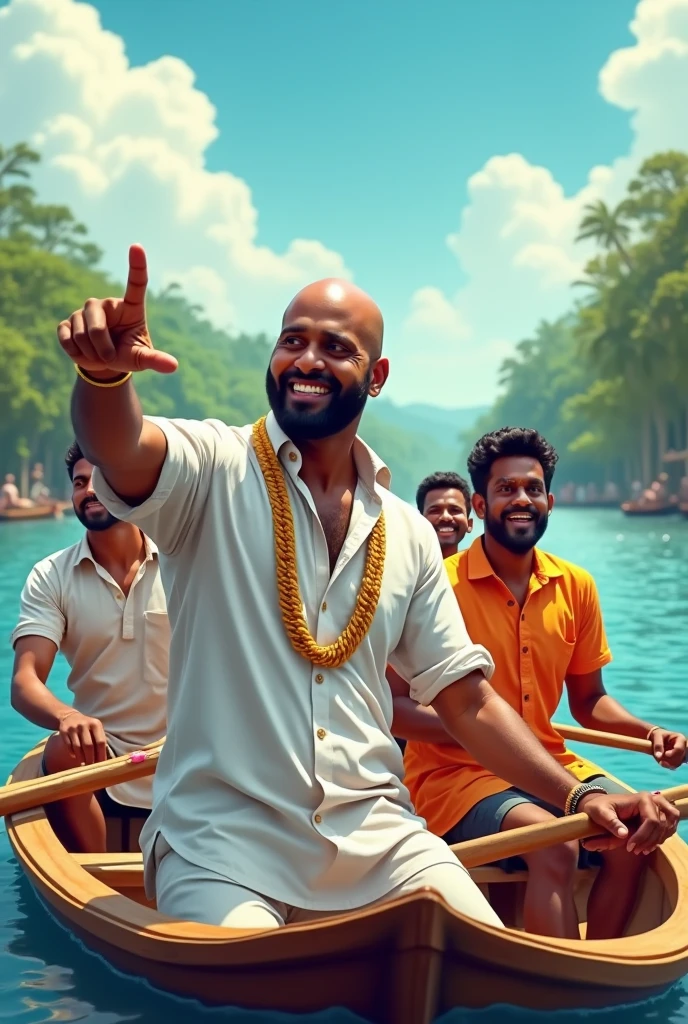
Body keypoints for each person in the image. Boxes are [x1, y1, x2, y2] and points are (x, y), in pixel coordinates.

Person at [56, 245, 676, 933]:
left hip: (381, 838)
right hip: (220, 842)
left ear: (375, 376)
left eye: (335, 347)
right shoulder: (210, 468)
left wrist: (578, 794)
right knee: (252, 973)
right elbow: (120, 447)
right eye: (292, 340)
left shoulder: (407, 533)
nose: (308, 360)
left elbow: (467, 700)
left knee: (485, 945)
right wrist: (103, 379)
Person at [400, 427, 686, 940]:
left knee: (641, 831)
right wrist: (479, 731)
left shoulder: (576, 585)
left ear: (550, 501)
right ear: (481, 504)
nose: (521, 500)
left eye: (532, 488)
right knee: (555, 843)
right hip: (455, 777)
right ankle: (560, 989)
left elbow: (590, 701)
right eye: (506, 489)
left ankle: (601, 969)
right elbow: (392, 709)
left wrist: (649, 733)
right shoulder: (437, 585)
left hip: (553, 765)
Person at [11, 441, 169, 854]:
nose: (89, 490)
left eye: (101, 479)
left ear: (132, 486)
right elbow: (25, 682)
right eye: (80, 482)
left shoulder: (183, 560)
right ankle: (96, 880)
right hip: (98, 760)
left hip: (184, 752)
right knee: (62, 747)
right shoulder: (51, 576)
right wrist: (68, 716)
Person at [415, 471, 473, 559]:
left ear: (469, 524)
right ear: (419, 522)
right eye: (435, 511)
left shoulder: (484, 569)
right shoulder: (403, 569)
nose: (446, 517)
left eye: (455, 510)